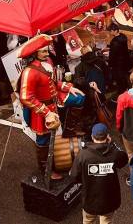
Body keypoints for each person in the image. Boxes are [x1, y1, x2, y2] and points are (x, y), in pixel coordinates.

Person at [18, 34, 84, 180]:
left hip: (54, 102)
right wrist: (46, 112)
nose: (46, 53)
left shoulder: (48, 61)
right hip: (41, 112)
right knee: (43, 140)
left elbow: (53, 83)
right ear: (35, 53)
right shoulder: (29, 72)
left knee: (79, 98)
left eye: (47, 50)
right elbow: (25, 97)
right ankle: (45, 170)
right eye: (43, 51)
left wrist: (67, 87)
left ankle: (69, 131)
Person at [70, 123, 128, 224]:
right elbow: (124, 159)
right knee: (106, 221)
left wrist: (86, 178)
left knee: (88, 221)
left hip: (90, 200)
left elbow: (74, 176)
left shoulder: (83, 154)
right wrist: (113, 144)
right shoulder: (114, 153)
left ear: (92, 137)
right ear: (107, 137)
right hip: (109, 201)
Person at [109, 23, 130, 96]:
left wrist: (110, 64)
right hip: (125, 61)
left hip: (117, 64)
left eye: (111, 31)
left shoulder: (114, 42)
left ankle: (121, 94)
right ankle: (127, 90)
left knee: (119, 79)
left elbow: (112, 55)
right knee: (124, 77)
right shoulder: (123, 37)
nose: (110, 32)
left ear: (115, 31)